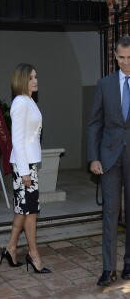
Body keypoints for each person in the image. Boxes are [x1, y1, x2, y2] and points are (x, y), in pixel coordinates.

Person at [0, 63, 51, 274]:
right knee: (31, 212)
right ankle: (33, 255)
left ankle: (11, 248)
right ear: (22, 80)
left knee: (24, 209)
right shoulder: (21, 102)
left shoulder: (29, 100)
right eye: (30, 78)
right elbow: (17, 140)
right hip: (24, 165)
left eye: (36, 77)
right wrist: (25, 172)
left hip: (28, 163)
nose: (35, 80)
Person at [87, 35, 130, 287]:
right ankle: (108, 269)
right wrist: (93, 157)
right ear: (115, 57)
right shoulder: (104, 84)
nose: (126, 63)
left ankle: (129, 263)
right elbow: (94, 124)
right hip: (109, 157)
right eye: (122, 58)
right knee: (110, 213)